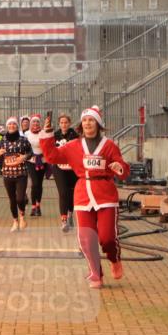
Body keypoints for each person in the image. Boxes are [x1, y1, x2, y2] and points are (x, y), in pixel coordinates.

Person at [39, 105, 129, 289]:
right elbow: (52, 156)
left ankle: (114, 258)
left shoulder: (109, 145)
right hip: (83, 194)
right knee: (86, 239)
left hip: (105, 193)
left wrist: (118, 168)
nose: (88, 123)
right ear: (81, 125)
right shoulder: (74, 145)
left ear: (98, 123)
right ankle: (96, 273)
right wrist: (48, 133)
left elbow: (122, 167)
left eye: (91, 120)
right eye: (85, 120)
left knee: (107, 238)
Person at [0, 117, 32, 232]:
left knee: (20, 198)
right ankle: (15, 221)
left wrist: (25, 157)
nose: (12, 126)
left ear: (17, 126)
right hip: (7, 174)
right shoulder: (2, 141)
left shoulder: (24, 140)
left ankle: (22, 216)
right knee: (12, 199)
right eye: (10, 124)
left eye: (14, 124)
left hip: (21, 173)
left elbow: (31, 152)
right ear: (7, 126)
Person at [51, 113, 79, 232]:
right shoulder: (55, 135)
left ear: (69, 123)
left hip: (72, 168)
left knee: (71, 193)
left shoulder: (75, 135)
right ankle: (63, 220)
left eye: (66, 122)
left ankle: (70, 214)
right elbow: (50, 150)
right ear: (59, 124)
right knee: (63, 193)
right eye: (61, 122)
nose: (64, 125)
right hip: (59, 167)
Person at [24, 114, 48, 217]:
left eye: (37, 121)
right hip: (31, 161)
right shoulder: (26, 133)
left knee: (39, 184)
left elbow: (48, 146)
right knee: (34, 183)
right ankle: (33, 206)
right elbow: (24, 146)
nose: (35, 123)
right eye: (33, 121)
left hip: (42, 160)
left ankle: (38, 205)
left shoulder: (43, 133)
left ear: (40, 123)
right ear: (30, 123)